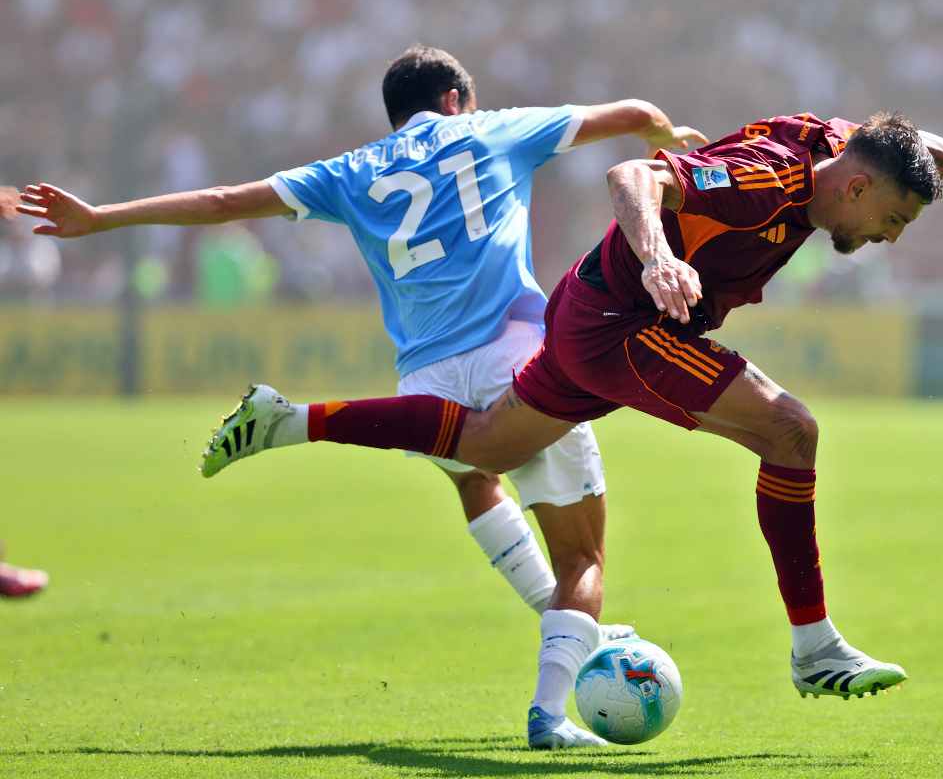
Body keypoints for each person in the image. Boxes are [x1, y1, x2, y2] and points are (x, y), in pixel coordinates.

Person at [17, 45, 705, 748]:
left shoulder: (350, 171)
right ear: (454, 101)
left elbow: (225, 202)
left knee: (479, 485)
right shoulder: (490, 128)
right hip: (514, 361)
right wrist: (659, 134)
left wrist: (101, 217)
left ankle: (567, 630)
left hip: (425, 381)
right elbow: (631, 114)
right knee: (582, 559)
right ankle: (550, 711)